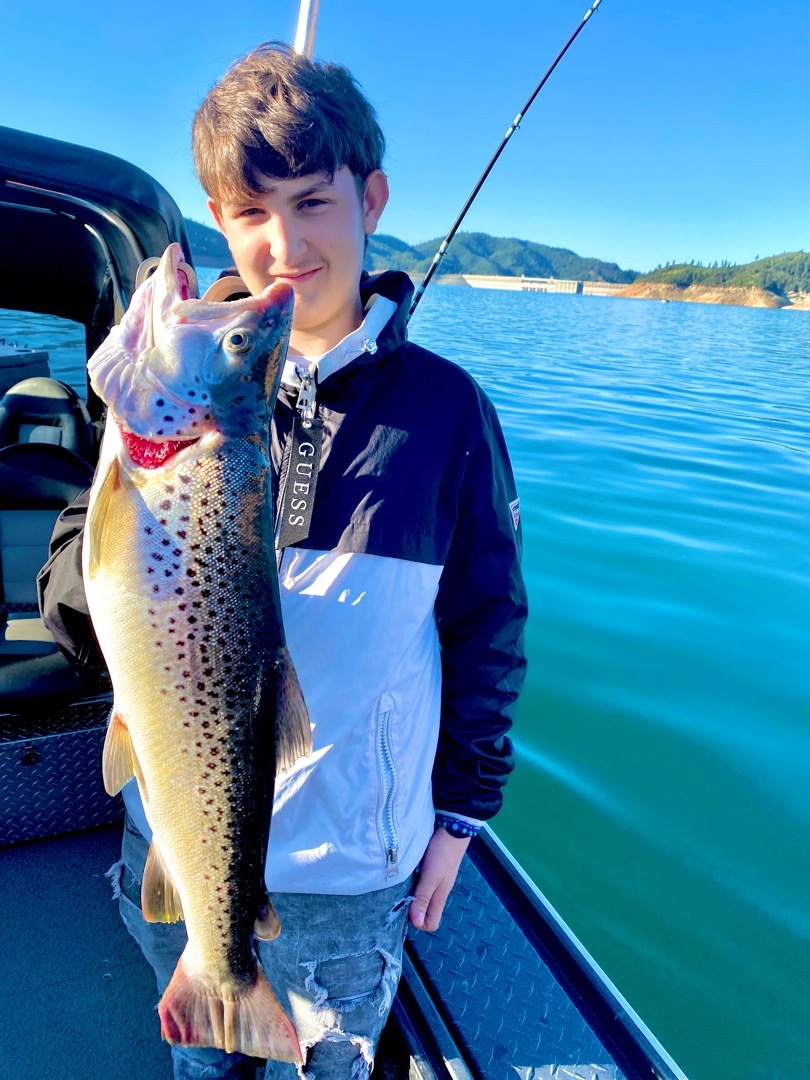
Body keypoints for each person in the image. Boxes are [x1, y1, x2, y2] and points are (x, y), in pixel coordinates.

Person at [37, 41, 527, 1080]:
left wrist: (460, 817)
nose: (285, 242)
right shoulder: (165, 401)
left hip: (354, 865)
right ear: (222, 220)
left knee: (332, 1061)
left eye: (314, 200)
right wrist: (117, 449)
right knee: (203, 1056)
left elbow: (490, 628)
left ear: (371, 197)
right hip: (178, 827)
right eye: (253, 213)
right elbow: (74, 624)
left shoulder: (445, 415)